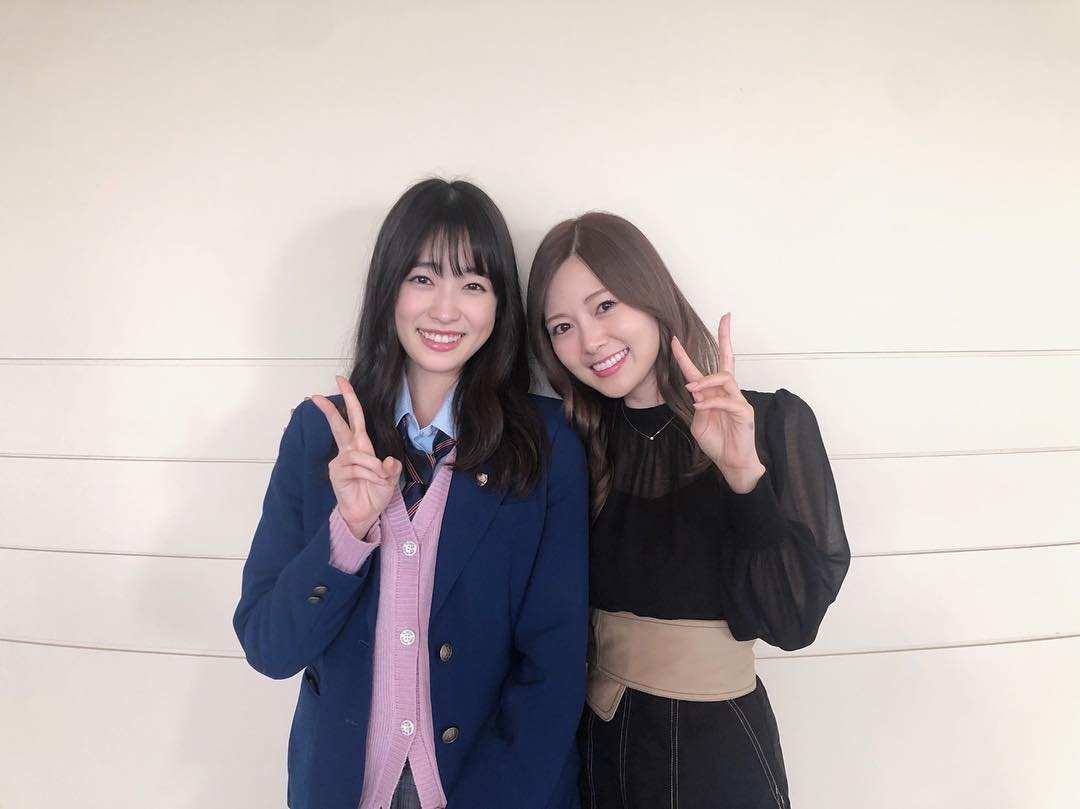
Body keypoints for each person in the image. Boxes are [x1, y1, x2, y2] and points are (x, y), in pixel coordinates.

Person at [234, 179, 589, 809]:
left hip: (491, 789)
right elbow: (269, 648)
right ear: (388, 288)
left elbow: (555, 664)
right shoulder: (320, 433)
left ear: (499, 305)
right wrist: (347, 533)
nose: (446, 311)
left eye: (473, 285)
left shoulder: (547, 441)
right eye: (423, 278)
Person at [525, 212, 850, 809]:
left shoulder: (769, 421)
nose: (590, 342)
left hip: (715, 758)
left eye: (605, 306)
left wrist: (744, 476)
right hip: (596, 752)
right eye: (562, 327)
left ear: (650, 293)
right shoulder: (572, 445)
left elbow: (794, 623)